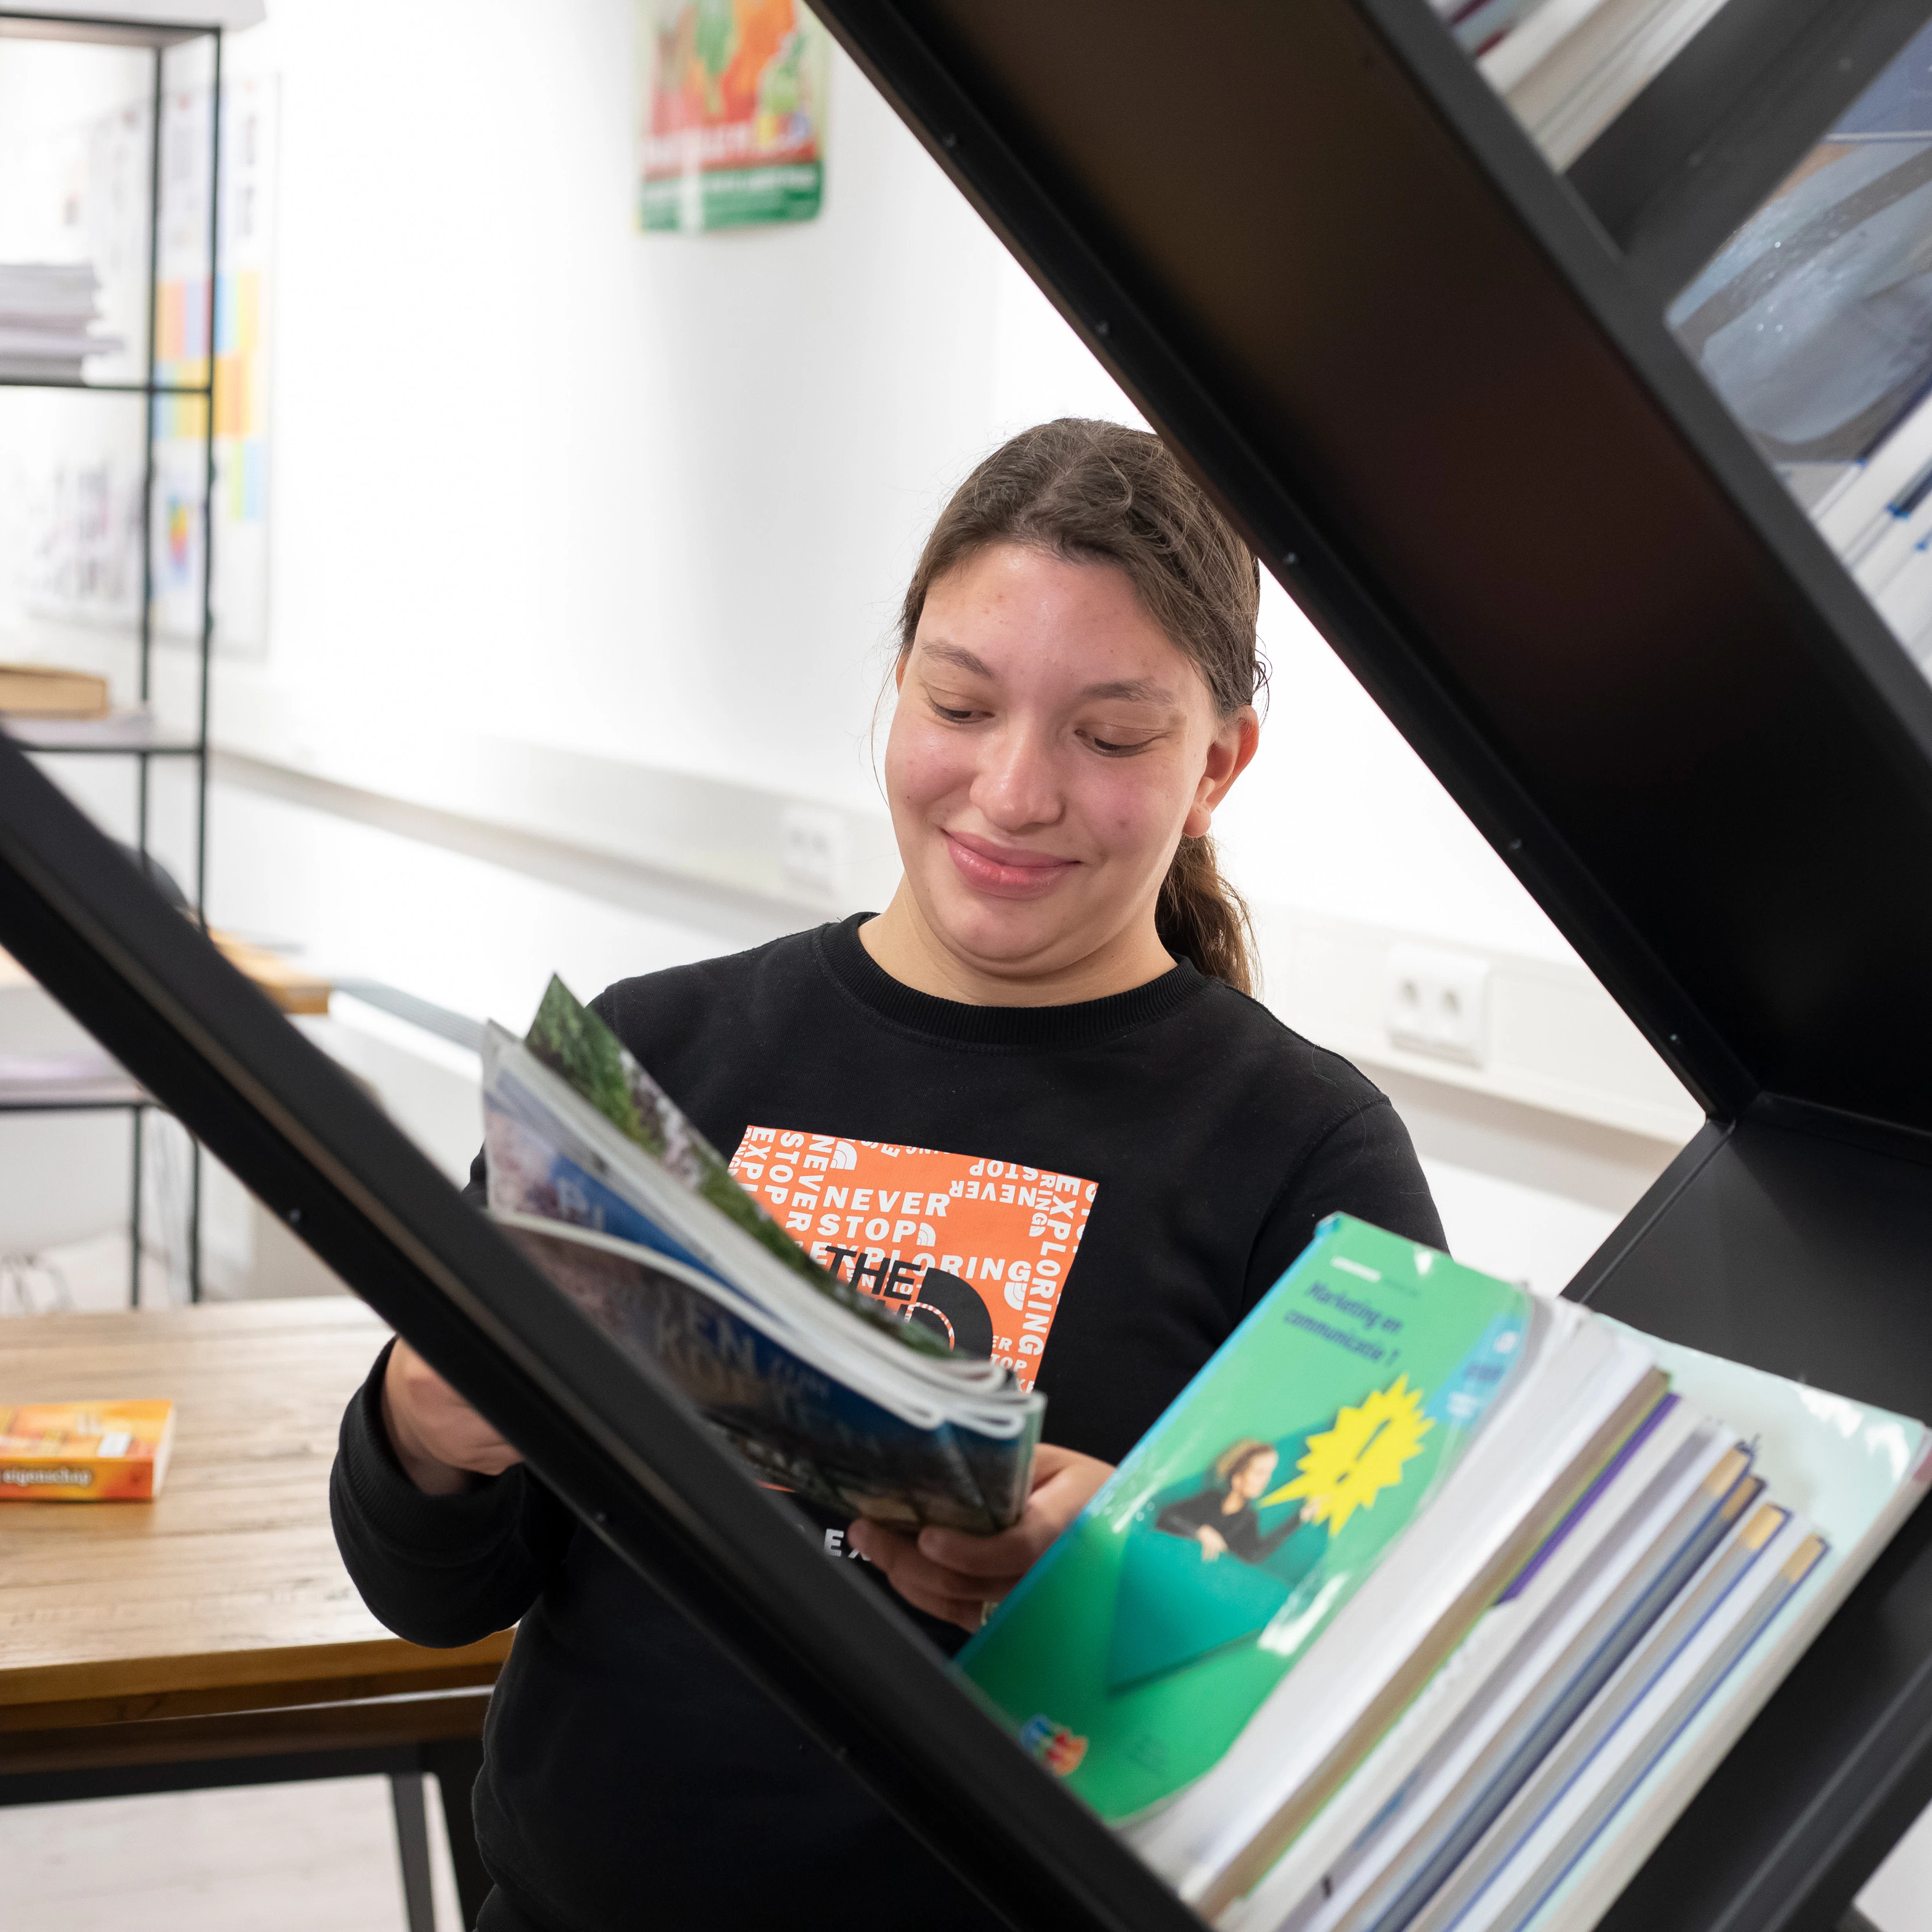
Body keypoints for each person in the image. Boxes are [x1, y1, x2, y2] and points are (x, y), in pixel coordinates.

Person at [330, 419, 1446, 1932]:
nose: (1009, 788)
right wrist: (419, 1422)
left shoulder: (1303, 1151)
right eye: (959, 702)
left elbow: (1366, 1707)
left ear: (1214, 765)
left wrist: (1130, 1573)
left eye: (1108, 736)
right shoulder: (654, 1052)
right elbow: (434, 1588)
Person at [1155, 1438, 1308, 1564]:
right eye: (1259, 1473)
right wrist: (1200, 1532)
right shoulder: (1211, 1499)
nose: (1266, 1481)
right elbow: (1167, 1517)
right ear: (1237, 1478)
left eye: (1268, 1474)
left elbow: (1254, 1555)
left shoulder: (1248, 1518)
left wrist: (1299, 1519)